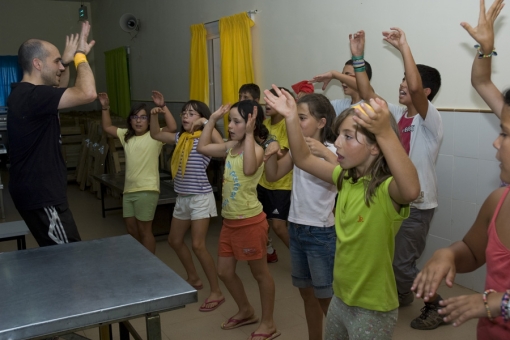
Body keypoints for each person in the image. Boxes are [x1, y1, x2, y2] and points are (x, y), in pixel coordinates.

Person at [264, 85, 420, 339]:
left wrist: (385, 134)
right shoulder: (345, 179)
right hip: (341, 299)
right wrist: (291, 117)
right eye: (339, 135)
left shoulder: (385, 190)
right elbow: (303, 159)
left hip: (372, 309)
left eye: (348, 136)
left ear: (374, 146)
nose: (337, 143)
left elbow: (411, 190)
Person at [412, 1, 510, 339]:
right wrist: (446, 254)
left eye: (505, 134)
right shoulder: (499, 200)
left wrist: (500, 305)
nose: (496, 144)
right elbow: (473, 251)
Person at [350, 29, 444, 329]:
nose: (402, 84)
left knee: (401, 263)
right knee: (388, 257)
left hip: (418, 204)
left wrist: (403, 46)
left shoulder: (430, 120)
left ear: (426, 91)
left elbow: (416, 90)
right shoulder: (396, 114)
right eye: (401, 79)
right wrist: (358, 58)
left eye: (407, 79)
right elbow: (367, 94)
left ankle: (436, 305)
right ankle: (404, 291)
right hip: (393, 199)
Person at [7, 21, 97, 247]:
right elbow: (87, 93)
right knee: (68, 258)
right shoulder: (32, 96)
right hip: (41, 195)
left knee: (59, 257)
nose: (61, 67)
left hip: (38, 192)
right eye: (57, 61)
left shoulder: (30, 95)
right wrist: (79, 56)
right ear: (37, 63)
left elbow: (59, 91)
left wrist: (65, 62)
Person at [197, 100, 280, 340]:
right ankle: (246, 310)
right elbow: (202, 148)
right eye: (229, 120)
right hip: (230, 222)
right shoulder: (230, 146)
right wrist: (211, 119)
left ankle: (268, 322)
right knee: (224, 272)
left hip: (250, 222)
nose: (231, 126)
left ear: (251, 123)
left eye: (237, 121)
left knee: (260, 273)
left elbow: (248, 170)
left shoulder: (257, 149)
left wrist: (252, 135)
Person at [264, 93, 337, 340]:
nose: (295, 122)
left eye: (301, 117)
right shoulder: (297, 151)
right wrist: (270, 152)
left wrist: (327, 154)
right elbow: (272, 175)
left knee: (327, 297)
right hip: (296, 228)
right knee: (307, 294)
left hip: (320, 232)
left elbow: (345, 177)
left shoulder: (333, 151)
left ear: (322, 122)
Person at [150, 99, 225, 312]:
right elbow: (156, 134)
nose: (185, 116)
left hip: (201, 197)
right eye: (184, 112)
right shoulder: (181, 137)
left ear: (201, 117)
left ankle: (216, 291)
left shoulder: (204, 137)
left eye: (191, 113)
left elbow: (221, 146)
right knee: (174, 240)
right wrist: (155, 115)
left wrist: (208, 122)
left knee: (198, 245)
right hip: (182, 197)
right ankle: (193, 277)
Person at [100, 91, 169, 254]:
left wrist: (162, 107)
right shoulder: (126, 136)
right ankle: (141, 257)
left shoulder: (155, 135)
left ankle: (151, 264)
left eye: (143, 117)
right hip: (129, 190)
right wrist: (105, 108)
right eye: (135, 117)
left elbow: (172, 127)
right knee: (131, 230)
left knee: (145, 231)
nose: (139, 121)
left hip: (147, 190)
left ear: (148, 120)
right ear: (130, 120)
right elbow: (107, 127)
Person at [257, 87, 295, 263]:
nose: (267, 104)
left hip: (281, 184)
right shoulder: (264, 125)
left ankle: (299, 258)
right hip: (262, 182)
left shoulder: (288, 126)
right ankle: (269, 251)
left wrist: (270, 146)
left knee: (279, 227)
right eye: (267, 100)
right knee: (261, 224)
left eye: (273, 100)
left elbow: (282, 155)